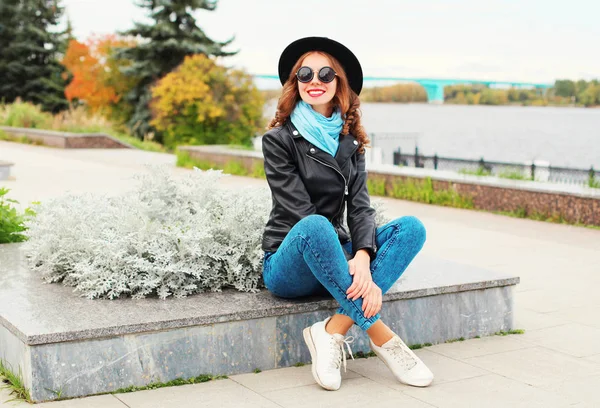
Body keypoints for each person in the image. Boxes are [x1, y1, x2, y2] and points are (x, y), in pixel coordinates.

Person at [261, 36, 433, 391]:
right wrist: (353, 258)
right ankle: (385, 338)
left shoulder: (350, 141)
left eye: (326, 74)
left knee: (411, 229)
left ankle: (331, 331)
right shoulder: (279, 140)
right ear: (295, 83)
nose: (314, 82)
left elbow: (360, 206)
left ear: (339, 83)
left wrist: (363, 256)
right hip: (288, 263)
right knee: (315, 224)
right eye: (305, 74)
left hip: (335, 256)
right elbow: (299, 212)